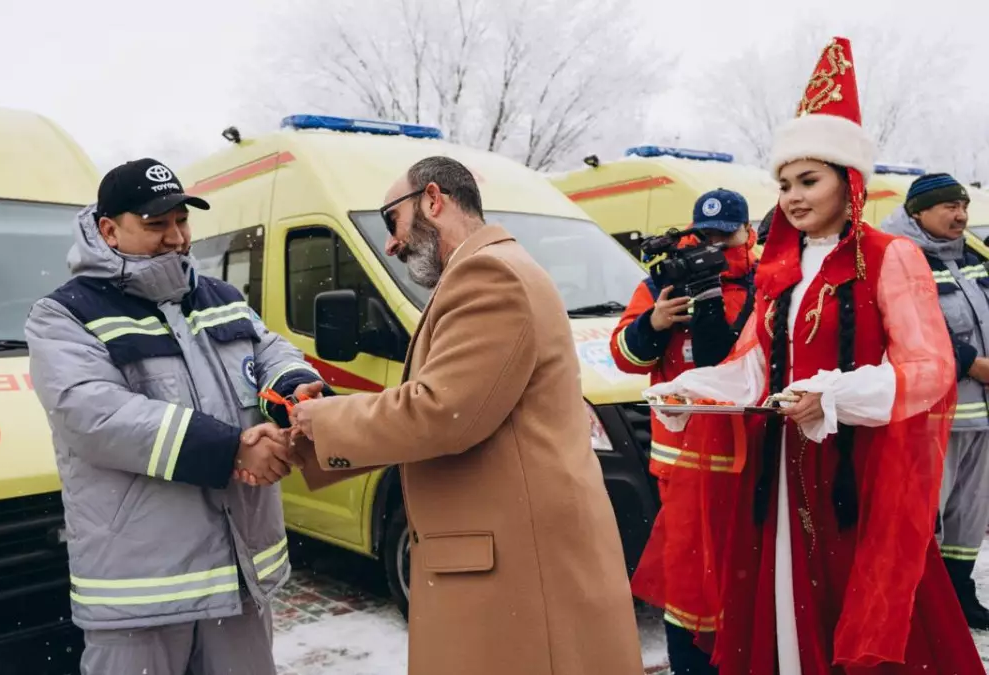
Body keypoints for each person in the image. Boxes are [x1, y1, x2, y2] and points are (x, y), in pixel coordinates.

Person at [644, 37, 983, 673]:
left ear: (848, 181)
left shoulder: (890, 256)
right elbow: (754, 364)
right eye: (784, 184)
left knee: (867, 609)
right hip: (778, 469)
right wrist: (693, 387)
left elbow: (930, 367)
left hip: (859, 469)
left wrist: (835, 396)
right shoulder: (781, 268)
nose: (793, 196)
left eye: (809, 180)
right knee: (782, 612)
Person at [284, 156, 645, 675]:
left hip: (516, 567)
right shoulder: (491, 269)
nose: (391, 243)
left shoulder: (488, 274)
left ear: (433, 200)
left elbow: (442, 411)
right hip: (512, 560)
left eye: (391, 220)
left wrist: (319, 422)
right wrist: (315, 438)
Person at [25, 158, 331, 675]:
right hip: (141, 594)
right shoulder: (65, 314)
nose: (176, 237)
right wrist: (233, 450)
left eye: (182, 220)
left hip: (238, 579)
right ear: (109, 230)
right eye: (156, 224)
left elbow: (271, 352)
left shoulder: (220, 298)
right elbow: (94, 416)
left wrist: (293, 388)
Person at [612, 188, 758, 674]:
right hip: (683, 468)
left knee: (745, 580)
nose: (712, 245)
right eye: (705, 235)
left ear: (748, 233)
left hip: (751, 464)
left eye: (724, 236)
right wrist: (653, 324)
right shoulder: (664, 283)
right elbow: (624, 356)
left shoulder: (768, 281)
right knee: (687, 584)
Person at [881, 172, 989, 630]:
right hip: (936, 414)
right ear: (918, 213)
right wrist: (973, 364)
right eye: (949, 206)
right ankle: (923, 604)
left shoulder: (972, 257)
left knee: (971, 512)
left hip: (981, 415)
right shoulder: (901, 258)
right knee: (927, 513)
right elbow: (911, 329)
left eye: (963, 206)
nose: (960, 215)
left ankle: (960, 593)